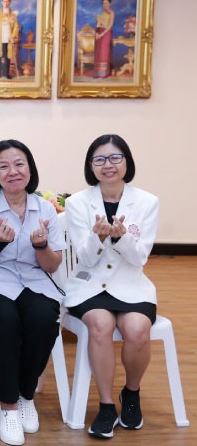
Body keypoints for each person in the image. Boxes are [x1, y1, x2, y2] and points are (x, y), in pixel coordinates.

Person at [0, 139, 65, 446]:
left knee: (44, 318)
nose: (13, 172)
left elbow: (52, 265)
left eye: (19, 164)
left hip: (34, 282)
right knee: (5, 320)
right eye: (4, 166)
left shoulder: (45, 210)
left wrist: (41, 246)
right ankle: (8, 407)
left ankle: (25, 396)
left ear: (30, 169)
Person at [64, 134, 158, 439]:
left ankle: (131, 393)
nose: (108, 165)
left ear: (127, 162)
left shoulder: (147, 202)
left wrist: (120, 238)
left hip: (131, 285)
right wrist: (99, 237)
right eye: (100, 159)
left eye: (115, 157)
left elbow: (139, 257)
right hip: (90, 286)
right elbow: (86, 258)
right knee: (100, 325)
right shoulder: (77, 203)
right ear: (90, 166)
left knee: (137, 330)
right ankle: (106, 405)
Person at [94, 0, 116, 78]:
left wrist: (102, 34)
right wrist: (97, 33)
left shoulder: (111, 13)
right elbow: (98, 24)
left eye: (106, 3)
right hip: (99, 33)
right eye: (103, 3)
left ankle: (104, 73)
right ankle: (98, 73)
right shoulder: (102, 14)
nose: (105, 4)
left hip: (106, 33)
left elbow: (110, 25)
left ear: (109, 3)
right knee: (99, 52)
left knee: (104, 52)